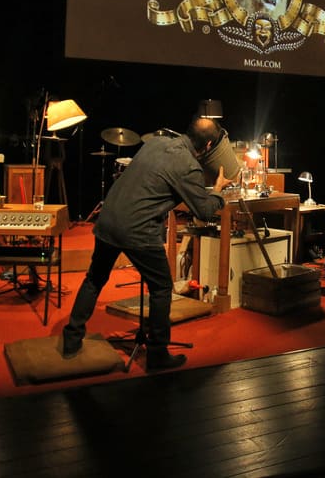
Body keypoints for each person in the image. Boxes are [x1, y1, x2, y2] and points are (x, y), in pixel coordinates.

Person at [62, 116, 232, 371]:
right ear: (208, 147)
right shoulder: (189, 166)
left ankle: (71, 339)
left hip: (108, 219)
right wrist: (218, 190)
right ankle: (157, 354)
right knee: (162, 288)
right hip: (137, 230)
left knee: (95, 278)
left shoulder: (156, 142)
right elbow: (205, 212)